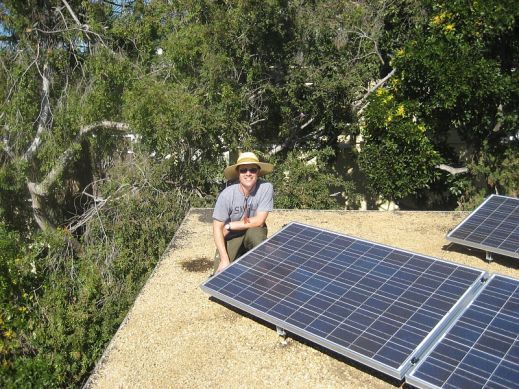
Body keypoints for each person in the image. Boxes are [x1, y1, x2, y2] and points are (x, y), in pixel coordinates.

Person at [212, 152, 274, 274]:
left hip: (253, 230)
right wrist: (224, 259)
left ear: (258, 172)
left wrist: (230, 225)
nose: (248, 173)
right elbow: (217, 229)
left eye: (252, 170)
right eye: (243, 170)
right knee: (220, 275)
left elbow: (259, 220)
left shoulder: (266, 188)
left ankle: (261, 272)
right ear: (238, 173)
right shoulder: (227, 195)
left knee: (258, 238)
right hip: (232, 236)